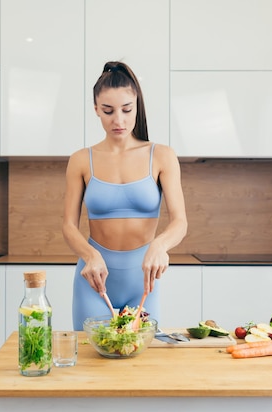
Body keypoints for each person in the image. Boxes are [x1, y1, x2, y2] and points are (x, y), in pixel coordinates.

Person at [63, 61, 188, 330]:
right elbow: (68, 227)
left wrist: (159, 245)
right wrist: (90, 254)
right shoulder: (81, 160)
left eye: (126, 109)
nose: (118, 120)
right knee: (92, 365)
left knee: (141, 367)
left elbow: (180, 222)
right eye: (108, 111)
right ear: (96, 109)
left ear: (137, 106)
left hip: (143, 282)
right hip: (94, 282)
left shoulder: (162, 156)